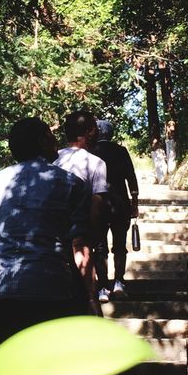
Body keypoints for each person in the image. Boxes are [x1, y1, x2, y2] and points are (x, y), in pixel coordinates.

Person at [0, 116, 94, 358]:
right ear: (42, 141)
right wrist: (91, 298)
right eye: (49, 134)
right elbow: (80, 246)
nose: (55, 140)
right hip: (52, 293)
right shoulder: (72, 185)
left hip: (5, 294)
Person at [54, 109, 109, 306]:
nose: (97, 134)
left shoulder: (53, 159)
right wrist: (95, 237)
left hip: (48, 241)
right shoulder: (96, 163)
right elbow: (97, 203)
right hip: (79, 240)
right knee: (87, 298)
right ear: (88, 133)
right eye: (95, 130)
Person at [92, 119, 139, 300]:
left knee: (100, 247)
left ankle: (103, 287)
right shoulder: (121, 151)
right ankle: (119, 282)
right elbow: (131, 178)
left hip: (98, 205)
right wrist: (134, 203)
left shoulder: (91, 152)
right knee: (120, 246)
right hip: (121, 205)